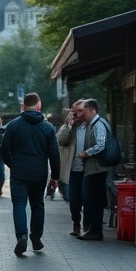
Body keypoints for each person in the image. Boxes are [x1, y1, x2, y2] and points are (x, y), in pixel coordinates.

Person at [0, 92, 60, 256]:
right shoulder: (48, 128)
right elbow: (54, 154)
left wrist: (13, 164)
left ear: (23, 106)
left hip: (19, 172)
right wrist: (55, 176)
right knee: (38, 204)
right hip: (39, 172)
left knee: (19, 204)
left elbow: (3, 149)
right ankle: (36, 238)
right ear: (39, 105)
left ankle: (22, 236)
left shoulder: (13, 125)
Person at [76, 98, 110, 241]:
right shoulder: (93, 124)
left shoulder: (98, 124)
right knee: (93, 198)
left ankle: (95, 230)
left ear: (92, 109)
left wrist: (86, 153)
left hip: (97, 168)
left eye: (84, 111)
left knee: (91, 198)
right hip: (94, 168)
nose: (83, 114)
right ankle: (94, 229)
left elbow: (101, 144)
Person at [57, 99, 86, 236]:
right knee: (73, 199)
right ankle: (76, 224)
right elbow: (61, 140)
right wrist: (68, 124)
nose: (77, 114)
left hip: (88, 169)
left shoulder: (91, 125)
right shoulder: (70, 127)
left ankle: (88, 225)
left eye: (80, 111)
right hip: (73, 170)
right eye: (74, 112)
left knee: (88, 198)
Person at [56, 108, 77, 202]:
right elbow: (61, 140)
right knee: (68, 195)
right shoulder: (65, 128)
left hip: (78, 165)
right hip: (67, 167)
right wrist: (69, 126)